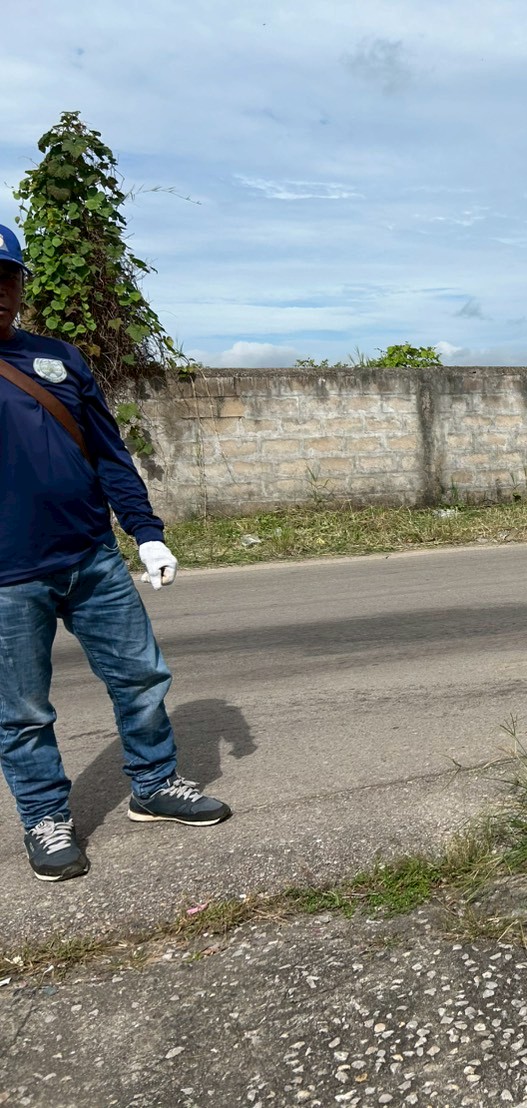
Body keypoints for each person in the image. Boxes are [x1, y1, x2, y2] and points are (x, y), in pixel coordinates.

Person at [0, 224, 230, 882]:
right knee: (22, 711)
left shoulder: (58, 359)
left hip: (92, 558)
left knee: (141, 678)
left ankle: (153, 785)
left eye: (6, 277)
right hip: (8, 577)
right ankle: (46, 817)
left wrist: (145, 532)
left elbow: (107, 453)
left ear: (21, 285)